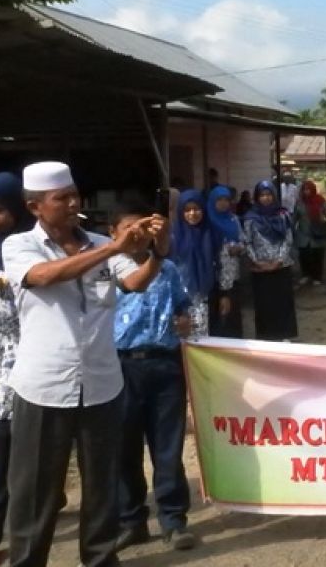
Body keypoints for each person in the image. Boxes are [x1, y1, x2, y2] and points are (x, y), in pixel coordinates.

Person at [2, 161, 166, 567]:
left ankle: (99, 559)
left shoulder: (96, 241)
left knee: (101, 487)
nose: (74, 202)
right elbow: (43, 277)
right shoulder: (19, 246)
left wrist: (158, 252)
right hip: (44, 387)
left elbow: (135, 282)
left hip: (101, 384)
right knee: (35, 492)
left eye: (74, 194)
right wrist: (111, 247)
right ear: (35, 206)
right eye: (62, 198)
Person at [110, 203, 196, 553]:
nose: (136, 234)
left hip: (164, 366)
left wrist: (184, 320)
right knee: (122, 448)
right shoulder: (102, 271)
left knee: (167, 448)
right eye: (127, 228)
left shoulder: (169, 269)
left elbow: (182, 306)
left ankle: (174, 521)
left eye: (142, 227)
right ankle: (132, 521)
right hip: (119, 367)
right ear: (112, 235)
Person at [0, 174, 31, 567]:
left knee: (10, 448)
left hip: (28, 361)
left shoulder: (30, 251)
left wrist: (1, 284)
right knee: (2, 445)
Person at [242, 180, 298, 342]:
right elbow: (247, 242)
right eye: (262, 195)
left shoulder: (282, 215)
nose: (265, 198)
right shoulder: (250, 218)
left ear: (274, 196)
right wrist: (258, 262)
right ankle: (266, 335)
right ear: (256, 197)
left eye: (268, 195)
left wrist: (278, 261)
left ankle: (284, 334)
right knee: (264, 303)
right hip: (260, 268)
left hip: (281, 266)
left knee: (282, 301)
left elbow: (288, 240)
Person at [170, 189, 215, 337]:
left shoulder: (210, 233)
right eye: (187, 210)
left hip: (205, 296)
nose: (192, 214)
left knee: (200, 340)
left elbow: (220, 264)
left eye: (196, 209)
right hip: (179, 298)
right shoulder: (173, 237)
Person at [206, 186, 245, 337]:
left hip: (231, 274)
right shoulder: (207, 220)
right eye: (219, 200)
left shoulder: (234, 219)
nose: (223, 203)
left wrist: (239, 248)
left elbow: (244, 241)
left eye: (226, 200)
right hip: (212, 274)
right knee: (215, 313)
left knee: (232, 313)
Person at [293, 180, 326, 287]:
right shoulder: (299, 203)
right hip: (303, 234)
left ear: (313, 190)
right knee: (304, 255)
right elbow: (294, 217)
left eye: (308, 189)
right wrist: (290, 229)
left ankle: (317, 277)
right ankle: (306, 275)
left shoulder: (320, 201)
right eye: (304, 190)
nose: (306, 192)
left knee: (317, 256)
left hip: (318, 233)